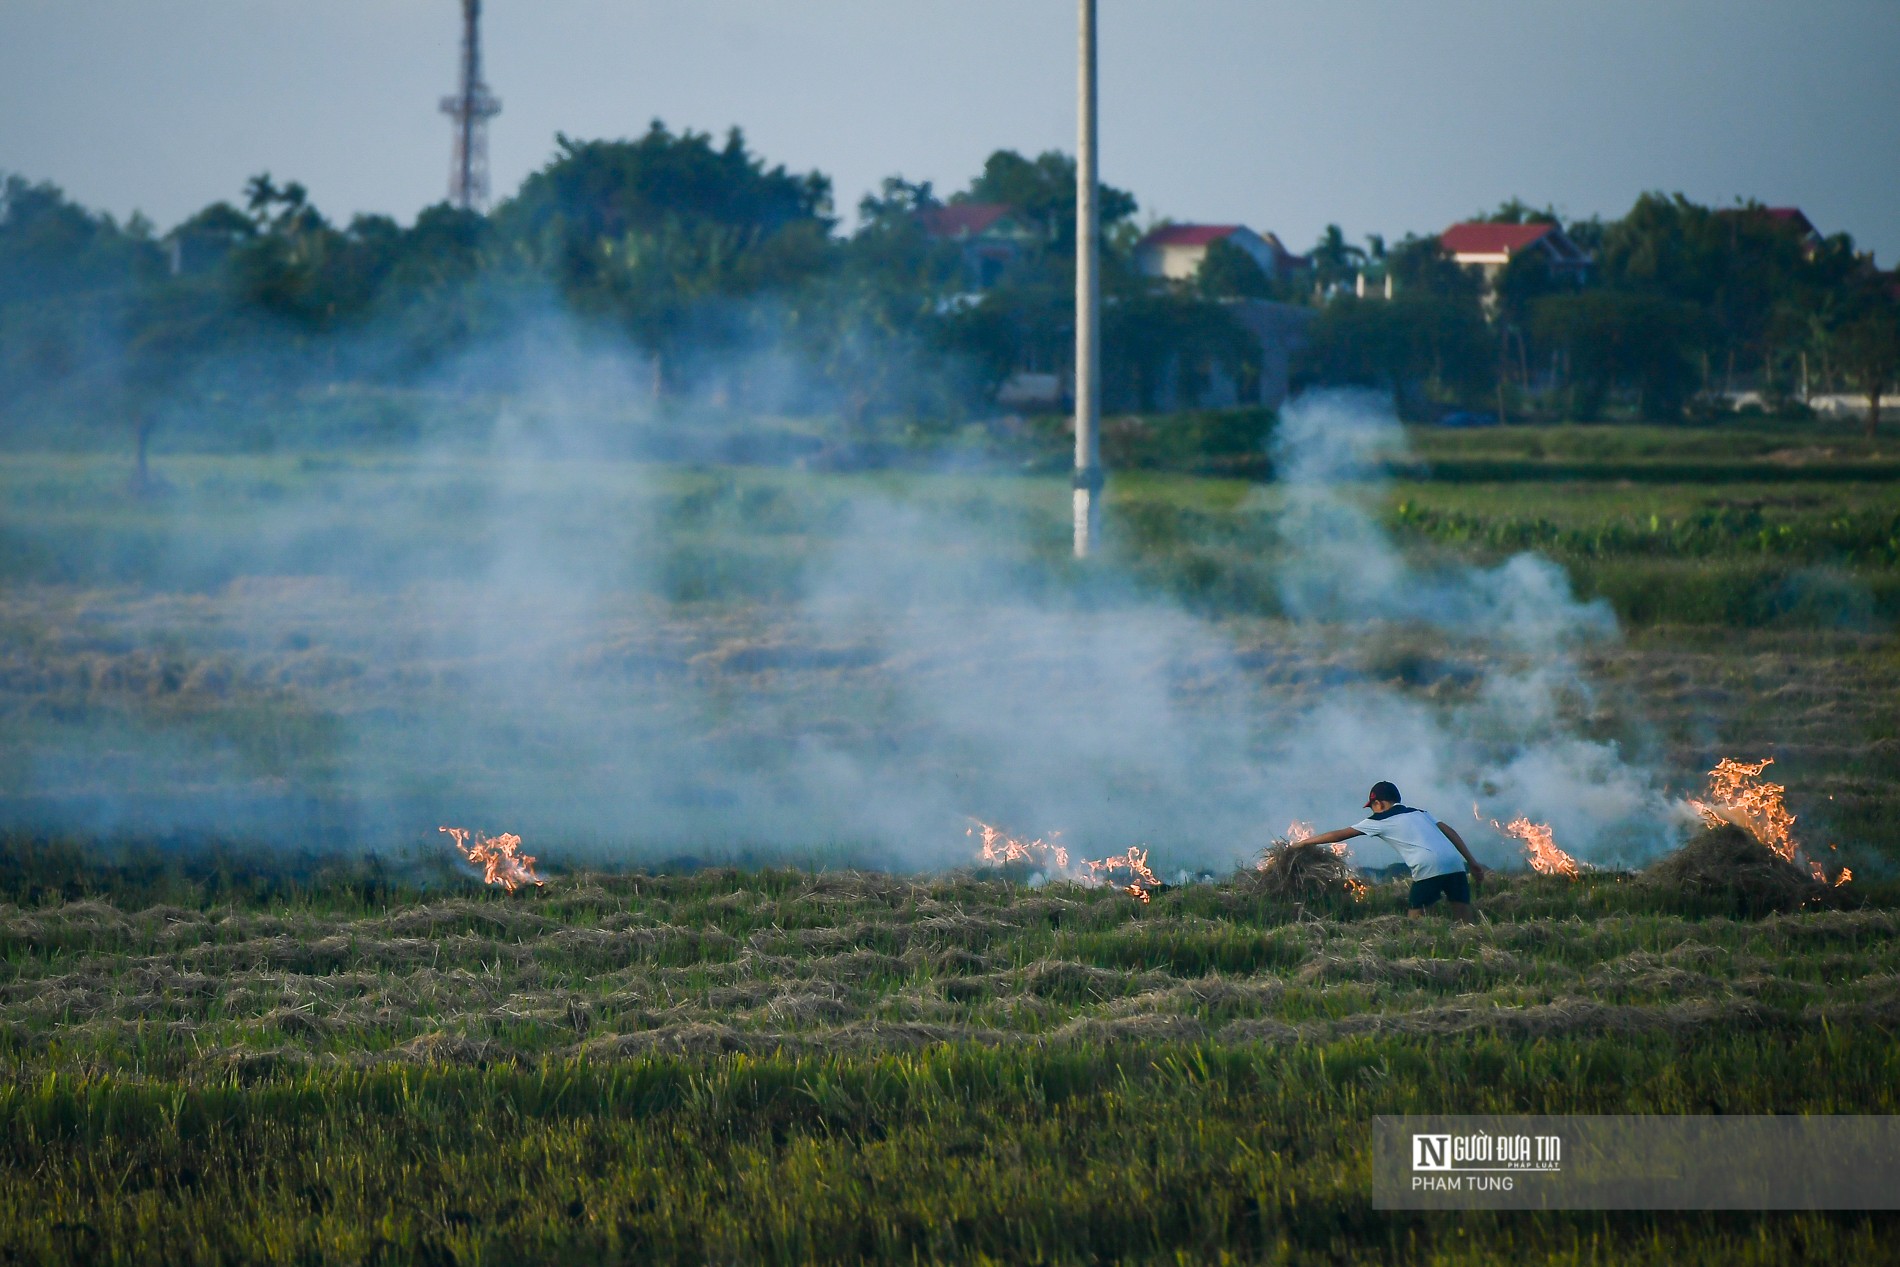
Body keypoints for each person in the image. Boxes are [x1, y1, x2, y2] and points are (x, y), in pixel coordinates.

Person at [1296, 781, 1488, 922]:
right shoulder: (1420, 812)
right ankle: (1471, 945)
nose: (1373, 810)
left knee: (1415, 918)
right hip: (1455, 862)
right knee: (1464, 915)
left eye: (1372, 806)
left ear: (1379, 803)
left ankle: (1417, 951)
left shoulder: (1378, 820)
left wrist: (1303, 843)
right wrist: (1472, 862)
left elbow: (1339, 835)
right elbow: (1450, 832)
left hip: (1428, 866)